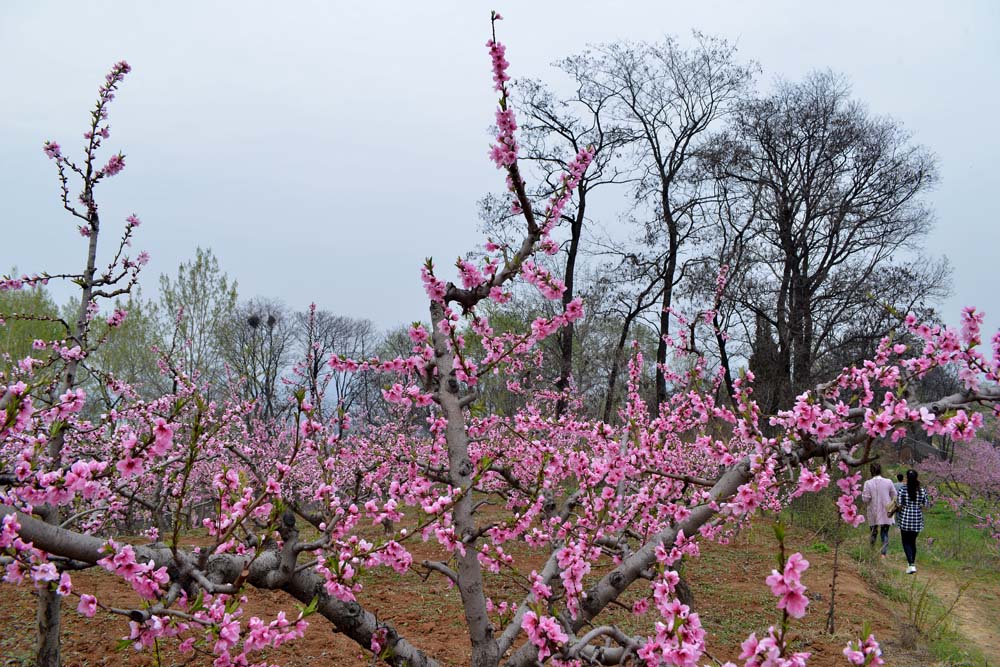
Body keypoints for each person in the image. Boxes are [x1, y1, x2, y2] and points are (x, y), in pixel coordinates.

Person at [897, 469, 931, 573]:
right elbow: (926, 505)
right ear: (916, 478)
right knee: (912, 542)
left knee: (905, 542)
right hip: (917, 518)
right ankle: (911, 564)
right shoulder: (922, 490)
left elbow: (899, 503)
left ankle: (911, 564)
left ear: (907, 478)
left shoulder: (903, 489)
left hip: (905, 518)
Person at [861, 462, 897, 557]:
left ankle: (871, 552)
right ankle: (883, 554)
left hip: (873, 511)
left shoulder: (868, 483)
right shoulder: (888, 481)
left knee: (873, 532)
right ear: (880, 470)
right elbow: (895, 495)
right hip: (886, 511)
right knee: (884, 532)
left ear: (871, 471)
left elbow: (865, 499)